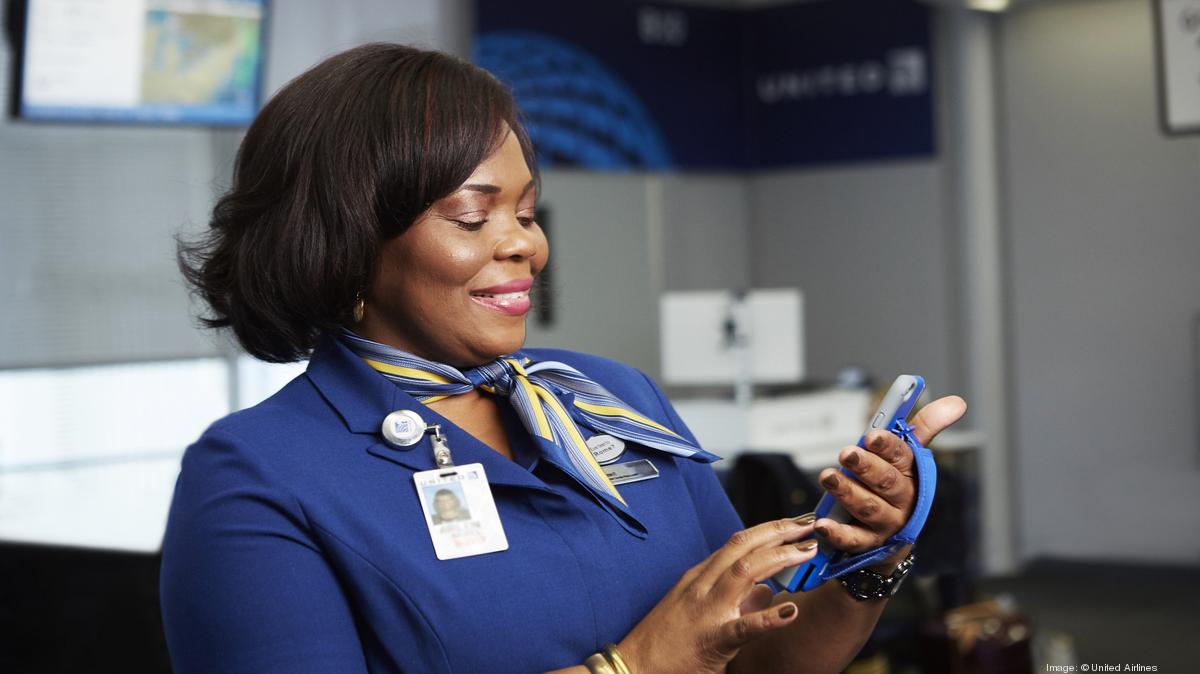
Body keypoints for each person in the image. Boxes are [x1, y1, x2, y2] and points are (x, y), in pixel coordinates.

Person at [161, 43, 966, 674]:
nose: (525, 244)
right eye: (474, 217)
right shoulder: (257, 475)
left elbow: (749, 657)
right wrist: (636, 665)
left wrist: (866, 556)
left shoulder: (608, 395)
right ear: (344, 242)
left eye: (526, 210)